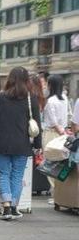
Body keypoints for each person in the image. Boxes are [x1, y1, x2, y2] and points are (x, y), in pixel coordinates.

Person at [0, 66, 41, 221]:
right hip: (22, 144)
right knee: (17, 176)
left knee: (3, 174)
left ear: (10, 79)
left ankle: (6, 208)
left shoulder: (1, 97)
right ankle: (14, 208)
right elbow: (37, 125)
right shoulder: (31, 99)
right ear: (26, 80)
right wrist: (38, 145)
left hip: (2, 143)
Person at [42, 74, 69, 203]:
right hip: (63, 133)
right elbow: (67, 116)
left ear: (50, 85)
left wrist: (60, 130)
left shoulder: (51, 101)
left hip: (51, 133)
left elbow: (52, 121)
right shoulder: (65, 98)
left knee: (49, 163)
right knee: (61, 163)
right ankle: (59, 192)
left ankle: (55, 193)